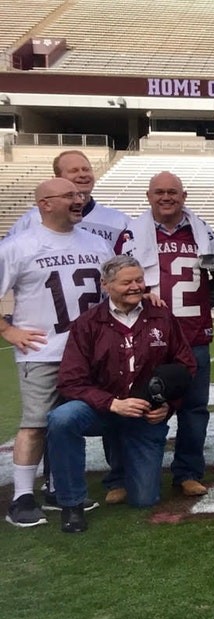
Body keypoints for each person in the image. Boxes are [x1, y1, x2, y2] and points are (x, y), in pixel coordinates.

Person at [46, 256, 195, 532]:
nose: (136, 286)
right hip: (101, 410)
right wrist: (112, 404)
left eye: (139, 280)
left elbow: (186, 366)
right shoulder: (87, 324)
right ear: (106, 285)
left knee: (144, 499)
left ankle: (124, 469)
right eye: (127, 282)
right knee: (62, 419)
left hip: (144, 413)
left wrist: (169, 406)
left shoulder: (162, 316)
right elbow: (70, 381)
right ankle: (72, 504)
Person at [1, 178, 110, 527]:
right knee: (34, 425)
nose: (78, 200)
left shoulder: (97, 244)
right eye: (69, 196)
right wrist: (8, 330)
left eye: (80, 195)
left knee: (66, 425)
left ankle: (60, 488)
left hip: (89, 354)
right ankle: (21, 496)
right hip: (43, 350)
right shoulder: (19, 245)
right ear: (45, 204)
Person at [128, 172, 214, 496]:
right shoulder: (131, 234)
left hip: (193, 334)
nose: (166, 197)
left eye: (172, 192)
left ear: (184, 195)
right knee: (141, 404)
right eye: (159, 192)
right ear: (148, 195)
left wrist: (203, 303)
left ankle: (187, 472)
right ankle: (132, 473)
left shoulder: (202, 231)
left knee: (194, 409)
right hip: (146, 338)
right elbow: (116, 278)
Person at [6, 150, 133, 254]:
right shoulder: (31, 219)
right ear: (58, 178)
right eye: (74, 171)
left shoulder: (120, 221)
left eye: (86, 169)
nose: (83, 174)